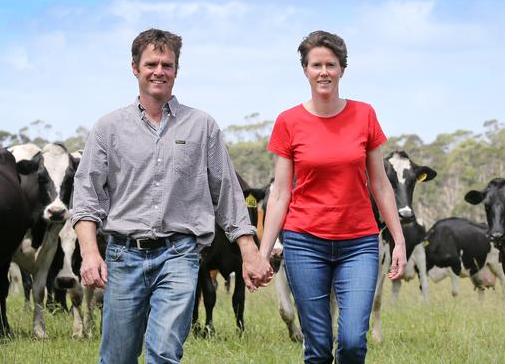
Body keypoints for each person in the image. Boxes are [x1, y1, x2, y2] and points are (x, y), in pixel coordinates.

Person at [72, 28, 273, 364]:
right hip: (124, 254)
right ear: (135, 68)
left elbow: (227, 191)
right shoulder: (108, 128)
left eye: (167, 64)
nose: (159, 71)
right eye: (151, 63)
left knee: (164, 352)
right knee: (117, 357)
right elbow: (86, 196)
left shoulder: (202, 126)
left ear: (176, 71)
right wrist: (90, 252)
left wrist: (249, 251)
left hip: (179, 255)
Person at [258, 30, 408, 364]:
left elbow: (381, 185)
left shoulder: (364, 114)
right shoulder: (288, 121)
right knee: (318, 346)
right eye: (316, 65)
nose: (323, 71)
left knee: (354, 340)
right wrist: (263, 253)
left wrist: (398, 240)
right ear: (305, 70)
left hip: (359, 243)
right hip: (304, 243)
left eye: (331, 64)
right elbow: (281, 193)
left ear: (342, 69)